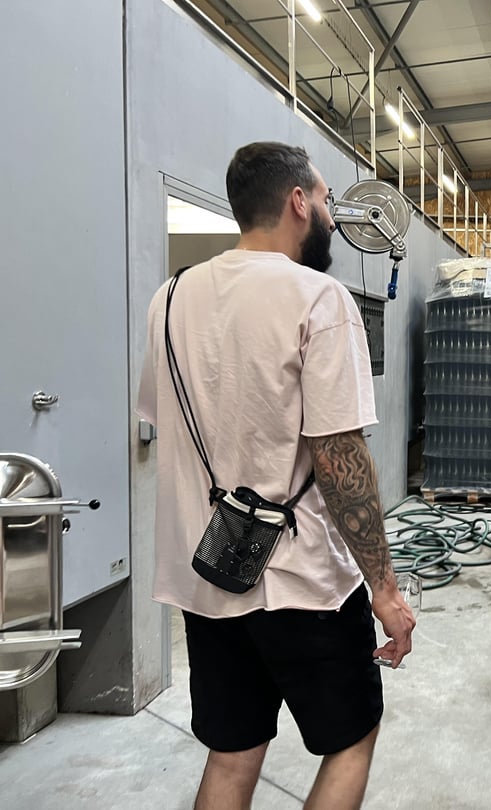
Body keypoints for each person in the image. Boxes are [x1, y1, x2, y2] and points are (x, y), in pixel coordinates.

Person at [136, 141, 414, 810]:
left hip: (209, 576)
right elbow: (340, 459)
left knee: (233, 756)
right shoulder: (320, 298)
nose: (332, 216)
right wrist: (383, 589)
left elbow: (161, 416)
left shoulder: (169, 299)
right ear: (298, 202)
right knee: (351, 740)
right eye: (325, 200)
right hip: (304, 584)